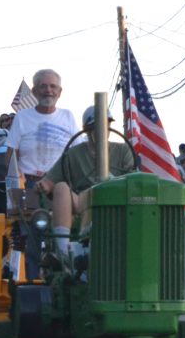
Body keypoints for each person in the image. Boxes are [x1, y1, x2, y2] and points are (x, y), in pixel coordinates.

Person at [38, 106, 136, 257]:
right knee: (61, 187)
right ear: (86, 129)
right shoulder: (73, 154)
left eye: (106, 125)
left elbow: (133, 178)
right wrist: (44, 185)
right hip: (85, 201)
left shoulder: (123, 151)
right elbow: (50, 180)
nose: (102, 130)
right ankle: (64, 251)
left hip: (118, 200)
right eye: (96, 127)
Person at [5, 69, 77, 184]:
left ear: (59, 91)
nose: (48, 90)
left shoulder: (68, 116)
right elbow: (10, 156)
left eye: (53, 86)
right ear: (34, 91)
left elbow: (78, 152)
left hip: (60, 183)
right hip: (28, 183)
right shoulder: (22, 117)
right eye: (43, 86)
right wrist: (17, 176)